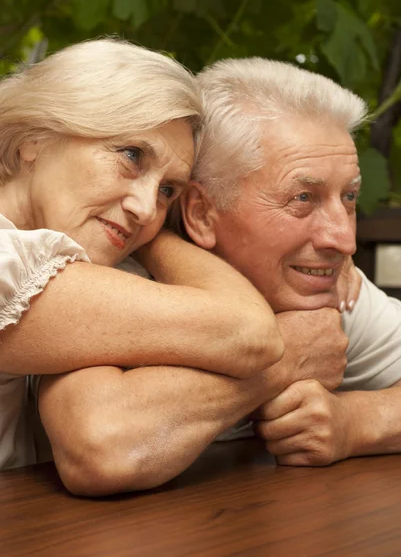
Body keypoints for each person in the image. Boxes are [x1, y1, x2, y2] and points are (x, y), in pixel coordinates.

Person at [35, 57, 390, 497]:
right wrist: (288, 355)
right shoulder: (115, 276)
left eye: (349, 196)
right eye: (303, 198)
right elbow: (99, 448)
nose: (344, 239)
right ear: (201, 213)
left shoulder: (322, 283)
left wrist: (356, 423)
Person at [0, 40, 285, 471]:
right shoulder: (10, 262)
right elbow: (249, 332)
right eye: (131, 155)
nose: (146, 207)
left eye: (168, 191)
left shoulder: (74, 267)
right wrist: (295, 354)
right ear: (35, 140)